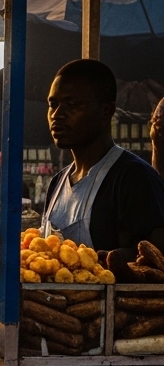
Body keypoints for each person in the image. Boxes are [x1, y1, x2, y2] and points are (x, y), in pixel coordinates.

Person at [42, 59, 164, 253]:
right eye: (53, 104)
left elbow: (155, 263)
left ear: (106, 110)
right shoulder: (57, 183)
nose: (57, 114)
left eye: (71, 104)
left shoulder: (135, 178)